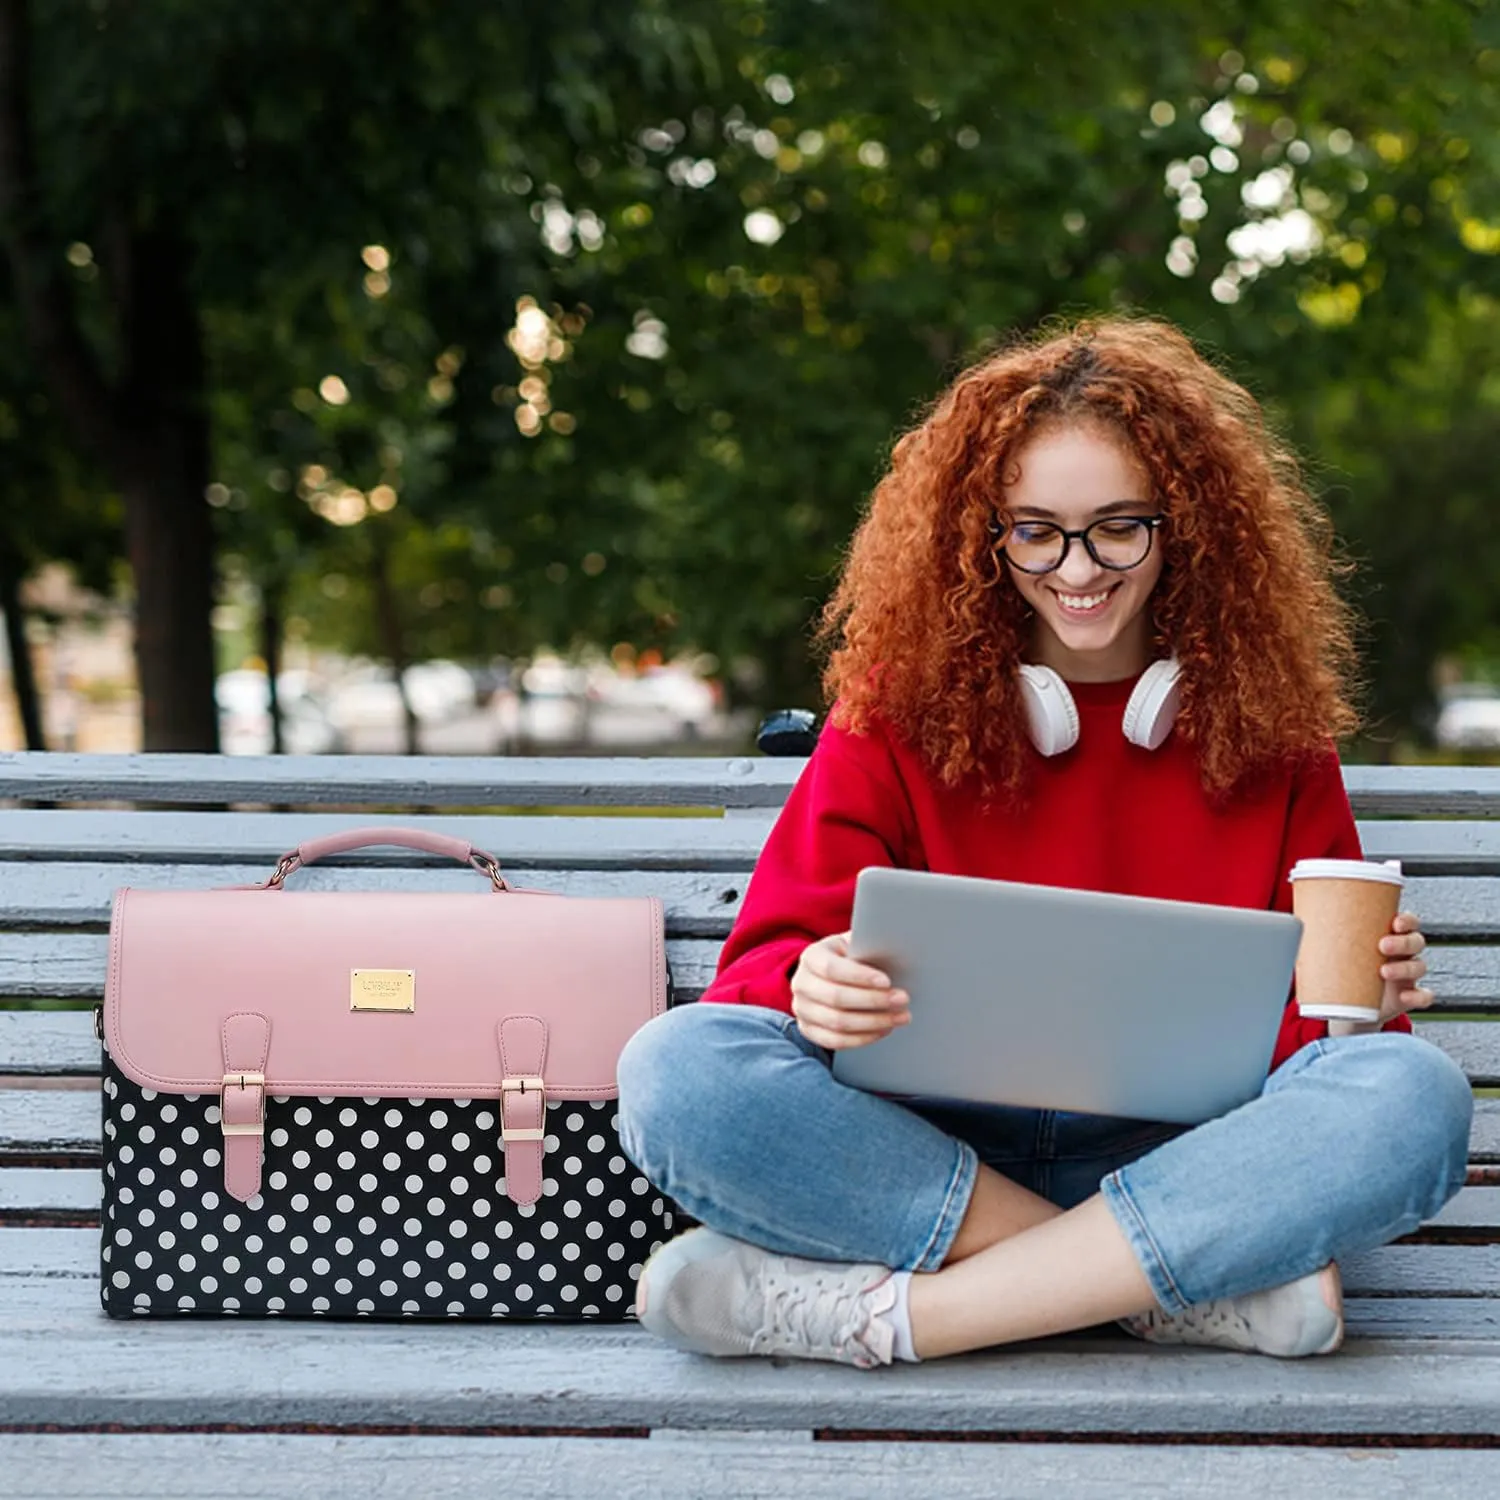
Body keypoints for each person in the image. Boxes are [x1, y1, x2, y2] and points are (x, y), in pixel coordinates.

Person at [615, 317, 1473, 1369]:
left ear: (1185, 526)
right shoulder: (892, 717)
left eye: (1119, 527)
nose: (1078, 568)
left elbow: (1307, 1048)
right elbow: (753, 985)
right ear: (986, 537)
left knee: (1413, 1098)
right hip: (930, 1155)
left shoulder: (1272, 729)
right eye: (1036, 530)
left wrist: (1357, 1009)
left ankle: (894, 1320)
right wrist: (812, 984)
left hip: (1190, 1158)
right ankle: (1168, 1290)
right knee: (676, 1071)